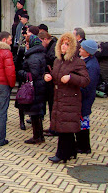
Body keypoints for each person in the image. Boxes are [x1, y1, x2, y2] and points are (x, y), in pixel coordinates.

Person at [44, 33, 90, 163]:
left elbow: (86, 80)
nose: (63, 46)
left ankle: (62, 154)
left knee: (65, 127)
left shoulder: (77, 62)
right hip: (59, 97)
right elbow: (55, 75)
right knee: (63, 126)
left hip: (71, 99)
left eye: (67, 44)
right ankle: (71, 152)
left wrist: (71, 78)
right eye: (62, 44)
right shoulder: (58, 60)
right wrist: (48, 76)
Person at [17, 35, 47, 144]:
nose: (26, 45)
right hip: (39, 85)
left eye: (28, 43)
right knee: (37, 112)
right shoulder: (40, 54)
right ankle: (39, 135)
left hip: (35, 86)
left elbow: (33, 74)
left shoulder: (33, 57)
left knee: (34, 113)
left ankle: (37, 136)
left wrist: (21, 73)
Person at [76, 39, 100, 154]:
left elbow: (88, 86)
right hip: (83, 97)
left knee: (83, 121)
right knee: (81, 121)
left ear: (88, 52)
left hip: (85, 98)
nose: (79, 49)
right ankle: (81, 144)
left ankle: (84, 146)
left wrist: (77, 89)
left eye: (82, 48)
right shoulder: (87, 62)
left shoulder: (92, 66)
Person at [38, 31, 57, 129]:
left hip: (53, 80)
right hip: (50, 79)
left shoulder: (53, 47)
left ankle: (54, 127)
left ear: (45, 39)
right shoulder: (50, 47)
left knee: (53, 104)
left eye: (41, 41)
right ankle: (52, 126)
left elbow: (53, 62)